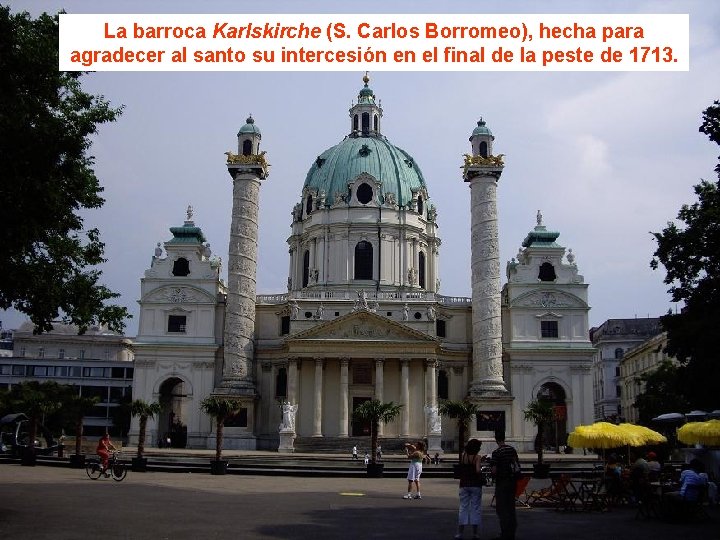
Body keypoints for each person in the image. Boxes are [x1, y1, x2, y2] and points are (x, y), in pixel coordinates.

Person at [490, 431, 520, 540]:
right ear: (504, 438)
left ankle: (504, 533)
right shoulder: (512, 450)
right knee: (511, 507)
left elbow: (494, 470)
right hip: (512, 481)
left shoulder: (496, 452)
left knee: (502, 508)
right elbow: (516, 464)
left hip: (502, 482)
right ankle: (511, 532)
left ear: (496, 439)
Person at [455, 438, 484, 540]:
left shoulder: (464, 456)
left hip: (464, 484)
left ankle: (460, 533)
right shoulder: (477, 457)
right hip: (475, 484)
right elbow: (477, 470)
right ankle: (475, 533)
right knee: (475, 508)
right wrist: (481, 469)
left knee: (463, 507)